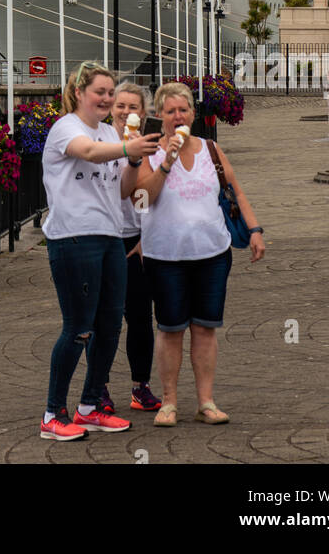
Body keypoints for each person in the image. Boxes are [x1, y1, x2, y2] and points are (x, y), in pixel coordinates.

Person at [40, 62, 160, 441]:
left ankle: (90, 405)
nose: (107, 99)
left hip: (110, 235)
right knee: (79, 327)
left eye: (111, 93)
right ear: (79, 93)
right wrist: (128, 146)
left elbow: (123, 188)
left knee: (109, 325)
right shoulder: (67, 128)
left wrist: (135, 159)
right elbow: (89, 153)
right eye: (101, 92)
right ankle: (52, 414)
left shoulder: (109, 130)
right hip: (74, 237)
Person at [133, 82, 265, 427]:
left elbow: (234, 190)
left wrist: (254, 230)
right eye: (171, 111)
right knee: (170, 328)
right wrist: (167, 162)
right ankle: (169, 401)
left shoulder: (211, 148)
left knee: (205, 328)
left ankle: (206, 401)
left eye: (184, 110)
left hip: (212, 252)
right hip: (165, 256)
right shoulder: (147, 152)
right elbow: (140, 199)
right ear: (158, 115)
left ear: (193, 113)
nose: (178, 116)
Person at [97, 83, 161, 414]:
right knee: (104, 318)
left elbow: (150, 197)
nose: (125, 112)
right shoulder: (100, 140)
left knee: (139, 317)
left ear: (144, 113)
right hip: (106, 237)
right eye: (120, 106)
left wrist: (145, 236)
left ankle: (141, 386)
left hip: (137, 237)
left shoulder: (152, 146)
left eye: (133, 107)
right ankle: (99, 387)